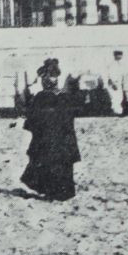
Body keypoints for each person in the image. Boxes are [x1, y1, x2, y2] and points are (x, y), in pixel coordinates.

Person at [21, 58, 82, 201]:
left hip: (46, 139)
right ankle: (62, 192)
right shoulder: (65, 97)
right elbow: (72, 116)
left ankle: (51, 191)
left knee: (46, 161)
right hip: (64, 139)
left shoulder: (41, 97)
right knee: (61, 163)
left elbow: (31, 121)